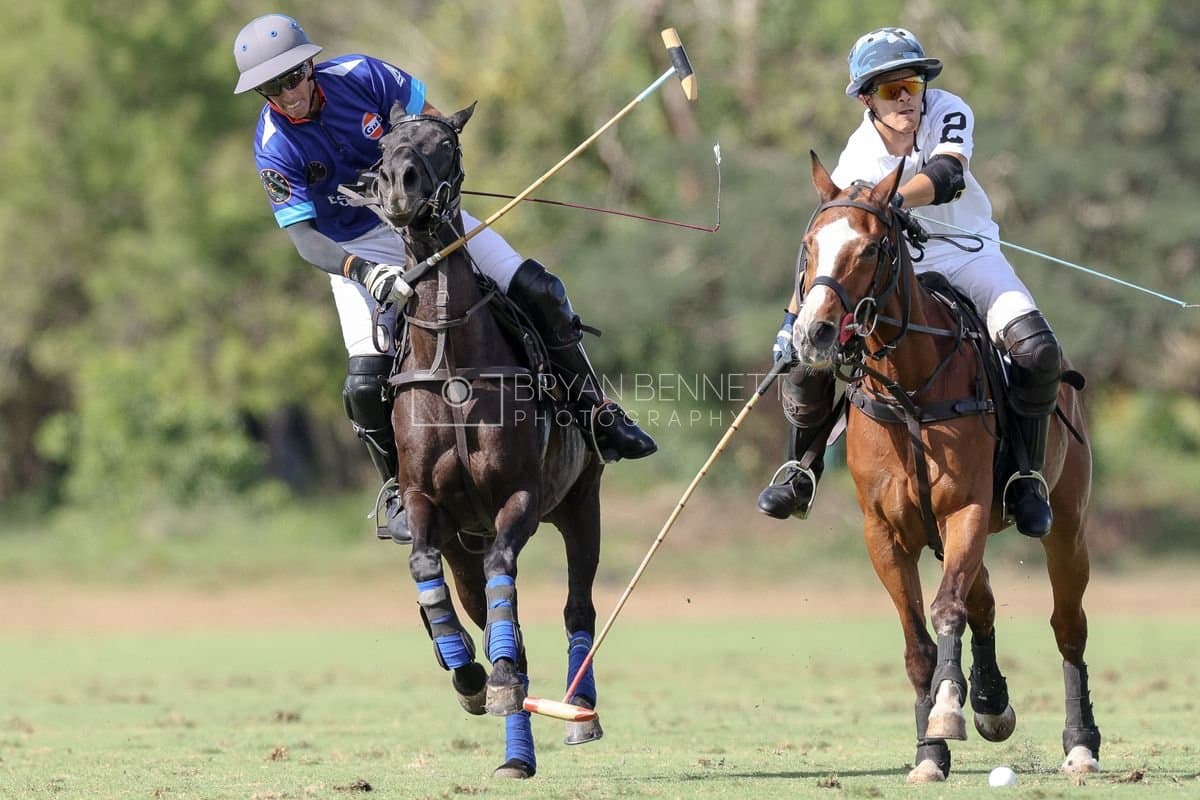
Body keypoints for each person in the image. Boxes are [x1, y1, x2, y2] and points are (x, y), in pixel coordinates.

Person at [232, 14, 656, 543]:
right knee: (364, 384)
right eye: (269, 88)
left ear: (310, 66)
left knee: (541, 290)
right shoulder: (273, 144)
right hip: (355, 249)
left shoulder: (363, 74)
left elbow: (434, 123)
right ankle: (397, 491)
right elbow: (304, 238)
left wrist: (437, 191)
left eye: (291, 78)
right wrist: (363, 271)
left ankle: (597, 415)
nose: (286, 95)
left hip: (431, 220)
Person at [757, 27, 1061, 538]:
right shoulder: (857, 159)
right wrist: (793, 320)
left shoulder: (948, 109)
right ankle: (800, 469)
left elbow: (948, 173)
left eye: (912, 85)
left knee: (1037, 351)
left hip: (972, 255)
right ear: (865, 99)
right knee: (810, 358)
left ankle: (1025, 478)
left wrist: (894, 201)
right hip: (903, 272)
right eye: (888, 89)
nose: (904, 98)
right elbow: (830, 246)